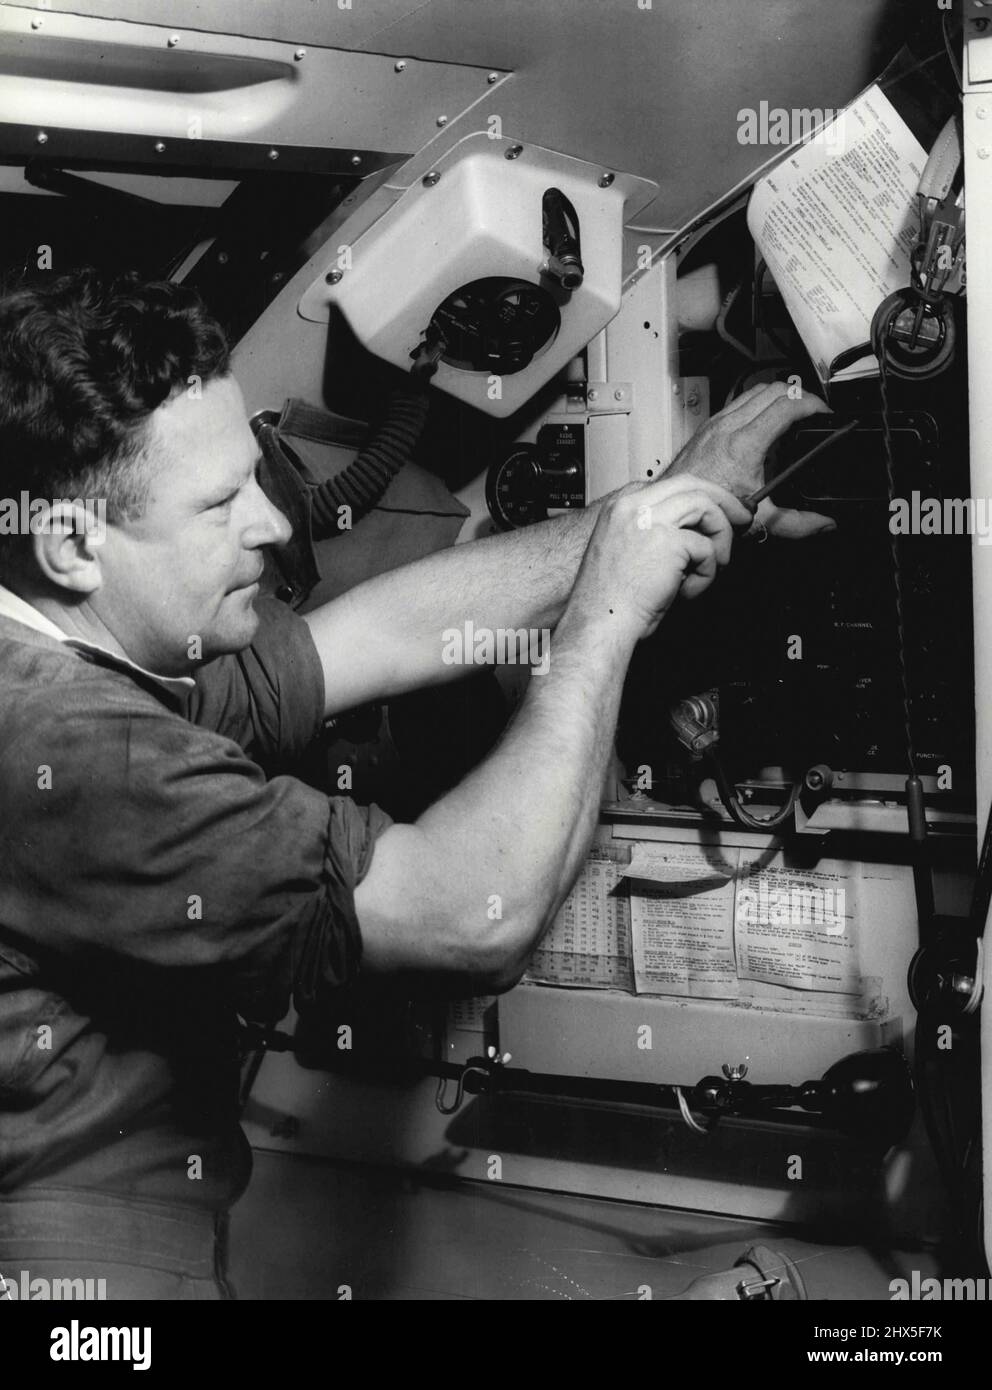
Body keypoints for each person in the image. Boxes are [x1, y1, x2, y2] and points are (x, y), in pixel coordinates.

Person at [0, 268, 830, 1300]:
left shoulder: (59, 659)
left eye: (256, 478)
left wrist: (655, 510)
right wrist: (605, 619)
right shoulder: (72, 751)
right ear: (72, 544)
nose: (269, 524)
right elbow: (464, 914)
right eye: (220, 503)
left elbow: (379, 632)